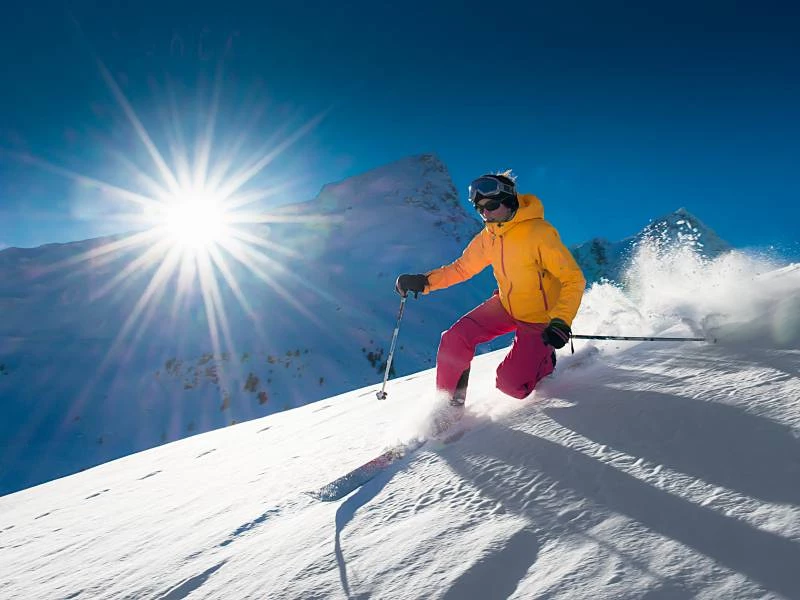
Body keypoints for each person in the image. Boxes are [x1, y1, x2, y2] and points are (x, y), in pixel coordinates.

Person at [395, 171, 585, 408]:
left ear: (509, 201)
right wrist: (425, 282)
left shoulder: (539, 234)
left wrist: (560, 321)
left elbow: (573, 279)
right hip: (506, 305)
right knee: (454, 339)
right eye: (479, 208)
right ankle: (449, 409)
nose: (485, 213)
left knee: (511, 386)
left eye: (491, 205)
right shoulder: (489, 236)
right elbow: (462, 268)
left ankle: (545, 360)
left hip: (539, 319)